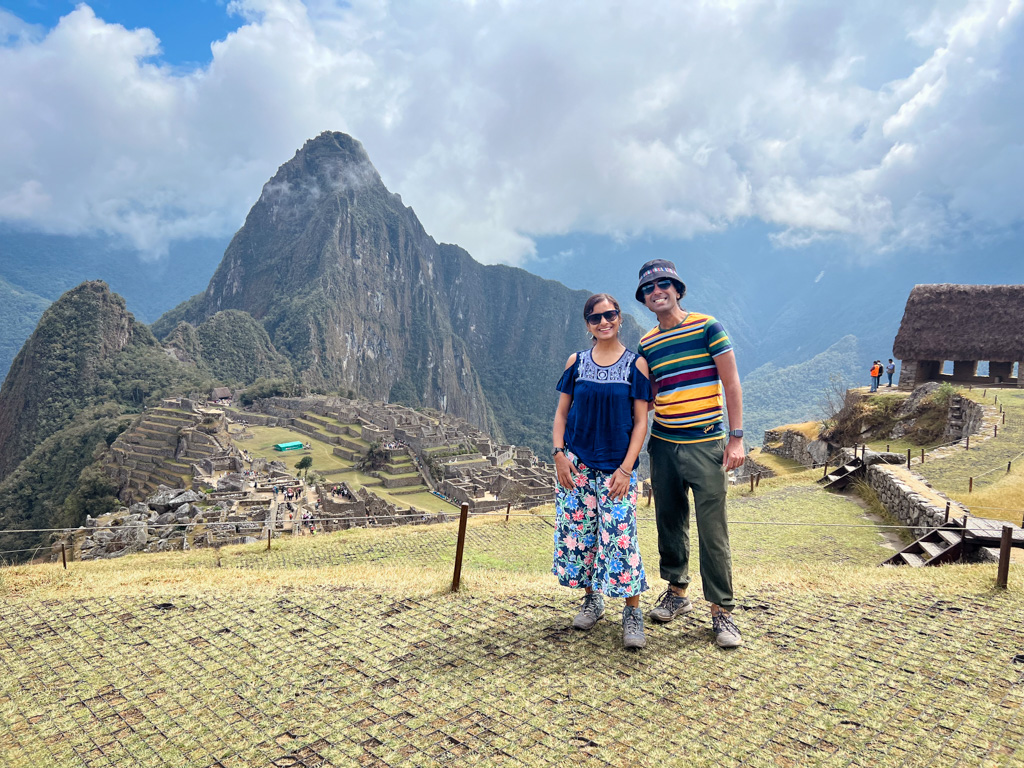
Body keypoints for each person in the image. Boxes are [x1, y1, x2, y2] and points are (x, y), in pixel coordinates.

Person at [635, 259, 745, 649]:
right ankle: (677, 591)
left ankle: (722, 612)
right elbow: (645, 400)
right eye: (650, 288)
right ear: (645, 299)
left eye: (664, 285)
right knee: (669, 519)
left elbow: (730, 381)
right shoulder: (647, 343)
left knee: (712, 527)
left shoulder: (707, 326)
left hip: (705, 442)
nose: (657, 291)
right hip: (664, 444)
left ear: (677, 290)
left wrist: (735, 437)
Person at [552, 293, 653, 649]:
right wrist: (559, 454)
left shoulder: (635, 365)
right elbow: (562, 413)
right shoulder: (576, 363)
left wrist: (626, 469)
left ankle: (632, 613)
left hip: (616, 470)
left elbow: (641, 422)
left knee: (622, 539)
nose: (604, 322)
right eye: (596, 318)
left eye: (609, 315)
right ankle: (593, 600)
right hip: (577, 465)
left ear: (620, 318)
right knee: (584, 538)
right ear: (587, 325)